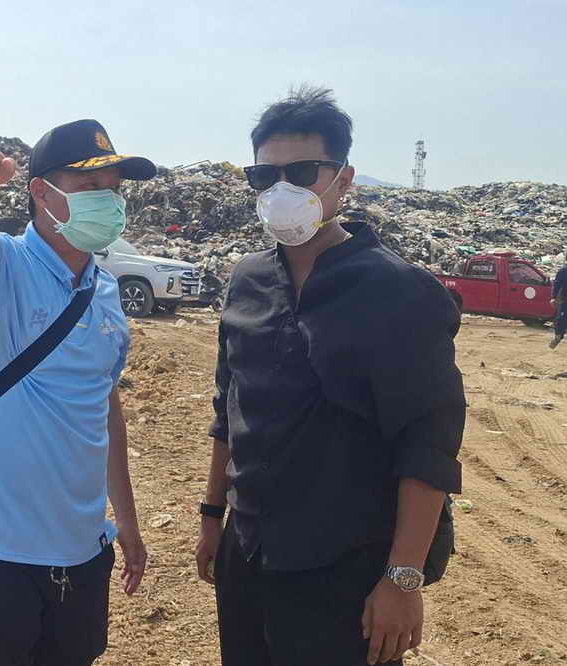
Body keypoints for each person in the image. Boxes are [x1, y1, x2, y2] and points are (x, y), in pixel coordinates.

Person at [194, 87, 466, 666]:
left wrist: (403, 579)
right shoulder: (247, 281)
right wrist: (213, 519)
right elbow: (228, 409)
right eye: (265, 176)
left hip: (346, 569)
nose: (282, 190)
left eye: (301, 172)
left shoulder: (399, 292)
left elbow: (428, 442)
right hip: (249, 552)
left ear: (344, 179)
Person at [0, 119, 150, 666]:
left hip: (82, 545)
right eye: (89, 185)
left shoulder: (105, 291)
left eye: (113, 187)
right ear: (41, 192)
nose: (107, 200)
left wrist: (127, 520)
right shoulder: (6, 266)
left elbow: (105, 409)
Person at [549, 254, 567, 348]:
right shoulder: (563, 271)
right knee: (561, 319)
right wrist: (553, 297)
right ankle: (558, 336)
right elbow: (557, 285)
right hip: (565, 300)